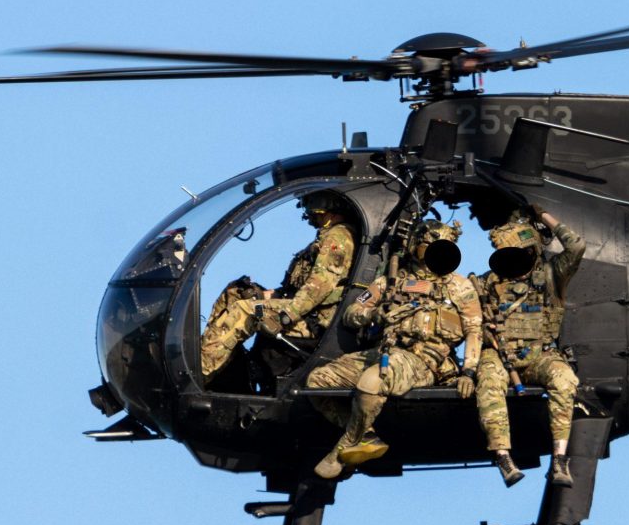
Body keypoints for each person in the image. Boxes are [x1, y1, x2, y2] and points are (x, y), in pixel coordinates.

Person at [306, 219, 482, 479]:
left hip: (423, 361)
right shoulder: (391, 280)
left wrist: (468, 372)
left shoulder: (458, 287)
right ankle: (365, 435)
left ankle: (343, 448)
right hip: (385, 351)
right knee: (317, 382)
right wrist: (375, 315)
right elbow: (353, 313)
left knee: (371, 382)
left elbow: (474, 330)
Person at [473, 207, 585, 488]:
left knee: (565, 379)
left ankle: (559, 459)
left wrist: (544, 215)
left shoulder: (550, 275)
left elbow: (576, 245)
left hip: (540, 354)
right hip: (499, 354)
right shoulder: (488, 282)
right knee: (488, 382)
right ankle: (502, 456)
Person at [199, 191, 356, 384]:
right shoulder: (327, 237)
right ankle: (215, 364)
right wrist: (262, 295)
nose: (309, 216)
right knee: (236, 293)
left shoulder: (339, 237)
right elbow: (298, 289)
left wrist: (285, 316)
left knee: (244, 311)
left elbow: (318, 289)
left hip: (312, 321)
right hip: (301, 309)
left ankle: (200, 375)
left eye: (312, 209)